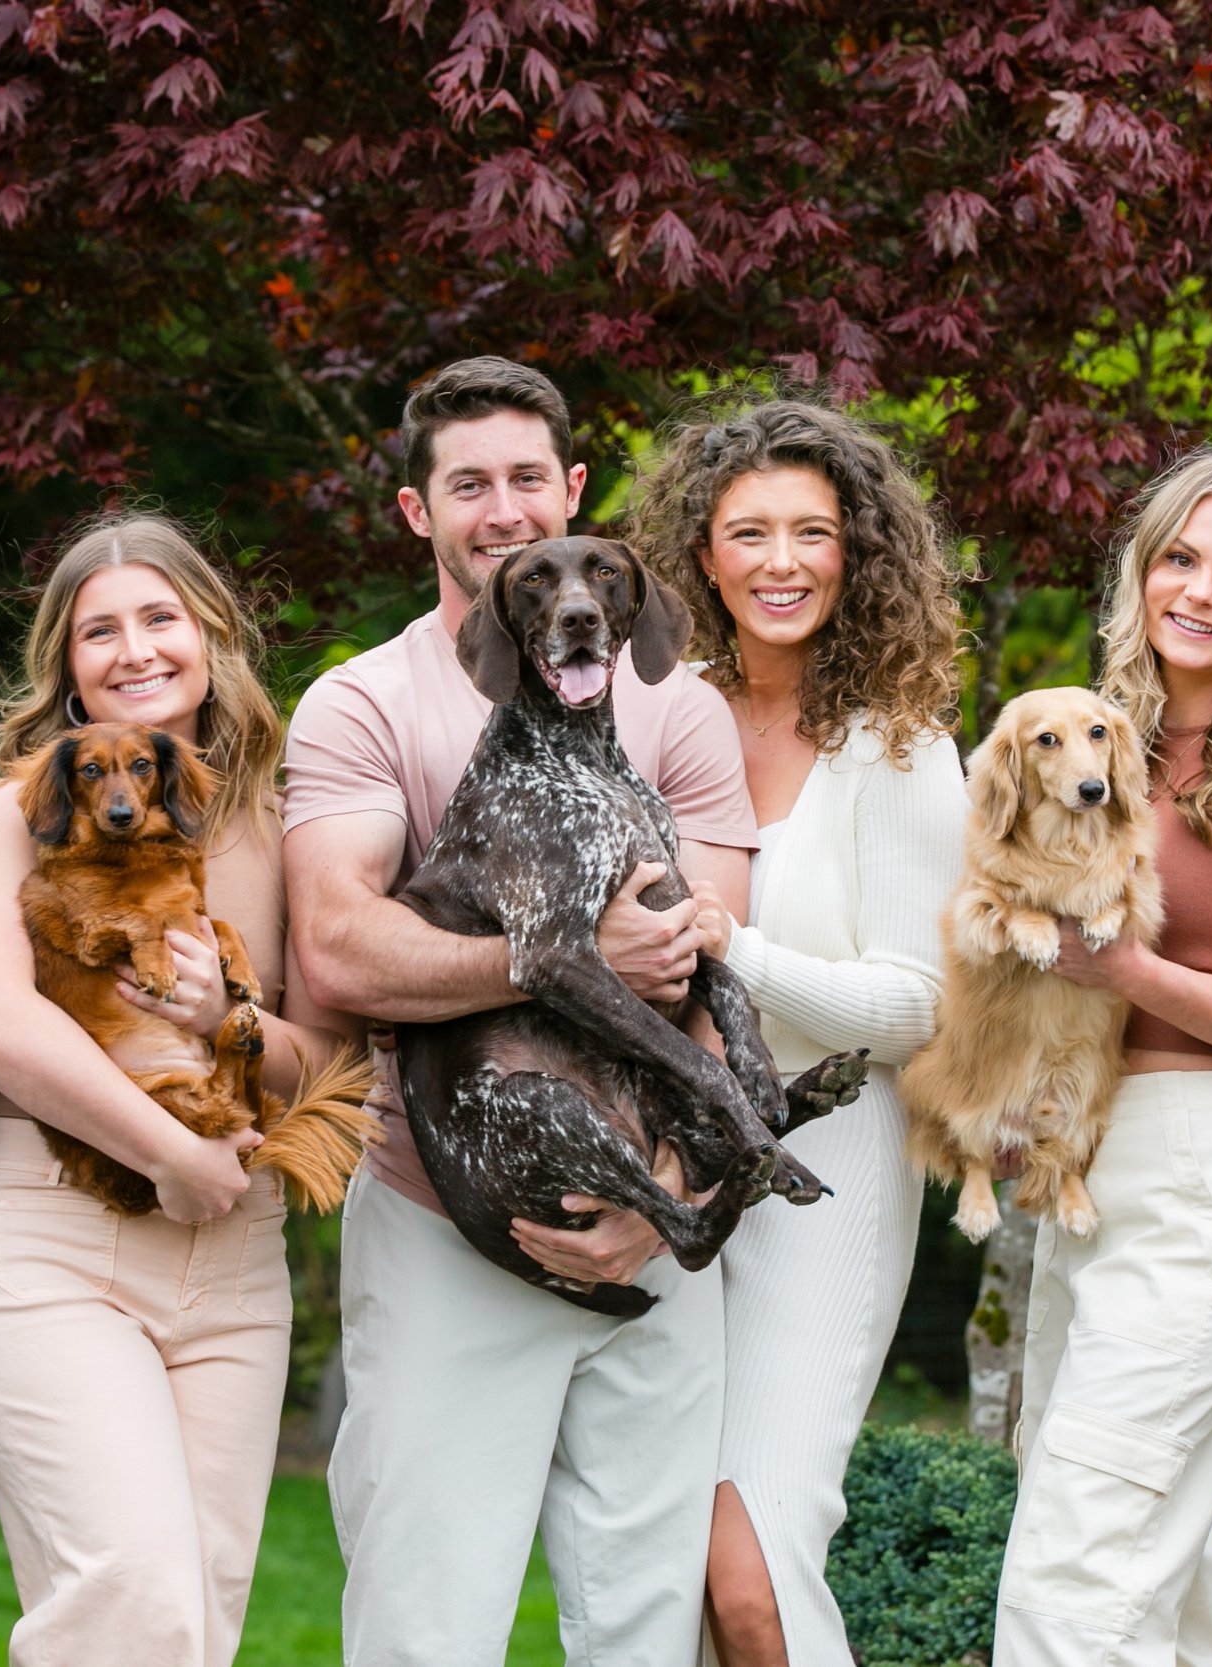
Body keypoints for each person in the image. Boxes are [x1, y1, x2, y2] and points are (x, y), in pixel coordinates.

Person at [282, 355, 761, 1666]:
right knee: (428, 1621)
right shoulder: (362, 703)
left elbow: (714, 963)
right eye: (469, 483)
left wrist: (665, 1186)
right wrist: (555, 953)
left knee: (646, 1623)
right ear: (415, 512)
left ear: (576, 489)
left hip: (656, 1228)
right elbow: (339, 948)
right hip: (447, 1217)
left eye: (527, 479)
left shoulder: (680, 704)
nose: (503, 508)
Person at [0, 512, 348, 1665]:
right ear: (66, 666)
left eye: (159, 617)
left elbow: (331, 1064)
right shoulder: (11, 819)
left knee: (204, 1614)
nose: (134, 649)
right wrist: (165, 1147)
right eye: (97, 630)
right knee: (131, 1600)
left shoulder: (282, 824)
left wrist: (226, 1018)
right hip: (60, 1233)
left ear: (209, 634)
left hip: (235, 1247)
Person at [993, 447, 1212, 1667]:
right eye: (1179, 559)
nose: (1199, 591)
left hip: (1202, 1184)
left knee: (1075, 1563)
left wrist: (1125, 970)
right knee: (1155, 1565)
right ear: (1141, 573)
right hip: (1082, 1169)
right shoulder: (1096, 746)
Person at [630, 396, 968, 1667]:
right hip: (659, 1164)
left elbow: (917, 1003)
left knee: (752, 1564)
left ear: (856, 553)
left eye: (812, 532)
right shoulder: (657, 718)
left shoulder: (897, 745)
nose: (781, 561)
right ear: (699, 556)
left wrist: (739, 947)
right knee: (661, 1569)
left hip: (824, 1175)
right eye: (748, 531)